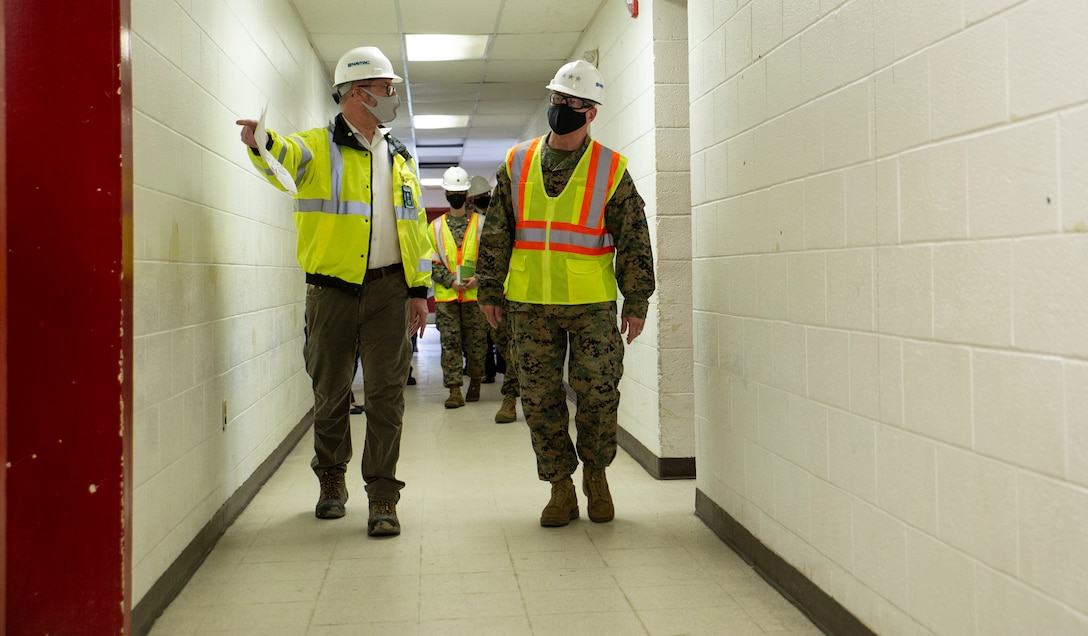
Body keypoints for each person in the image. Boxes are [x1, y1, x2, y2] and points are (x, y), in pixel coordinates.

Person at [235, 46, 431, 537]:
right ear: (357, 94)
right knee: (330, 393)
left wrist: (419, 289)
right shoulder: (316, 145)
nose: (393, 96)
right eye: (386, 88)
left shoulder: (400, 156)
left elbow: (414, 230)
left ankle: (383, 494)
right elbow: (282, 154)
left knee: (387, 397)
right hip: (331, 293)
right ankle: (331, 478)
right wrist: (260, 142)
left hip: (389, 290)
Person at [476, 60, 656, 527]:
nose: (561, 107)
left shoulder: (611, 169)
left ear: (591, 112)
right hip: (529, 303)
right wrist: (489, 287)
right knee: (538, 397)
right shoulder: (517, 162)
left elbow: (634, 238)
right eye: (557, 98)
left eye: (572, 102)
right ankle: (560, 486)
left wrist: (637, 300)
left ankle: (596, 475)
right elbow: (496, 230)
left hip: (590, 303)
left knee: (598, 392)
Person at [429, 167, 489, 408]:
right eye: (452, 193)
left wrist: (478, 278)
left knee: (477, 344)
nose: (456, 197)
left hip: (475, 297)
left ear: (467, 195)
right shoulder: (434, 227)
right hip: (447, 297)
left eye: (459, 193)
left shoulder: (482, 224)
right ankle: (454, 390)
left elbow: (490, 258)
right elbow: (431, 262)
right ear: (446, 194)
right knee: (450, 343)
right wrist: (450, 281)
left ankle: (475, 381)